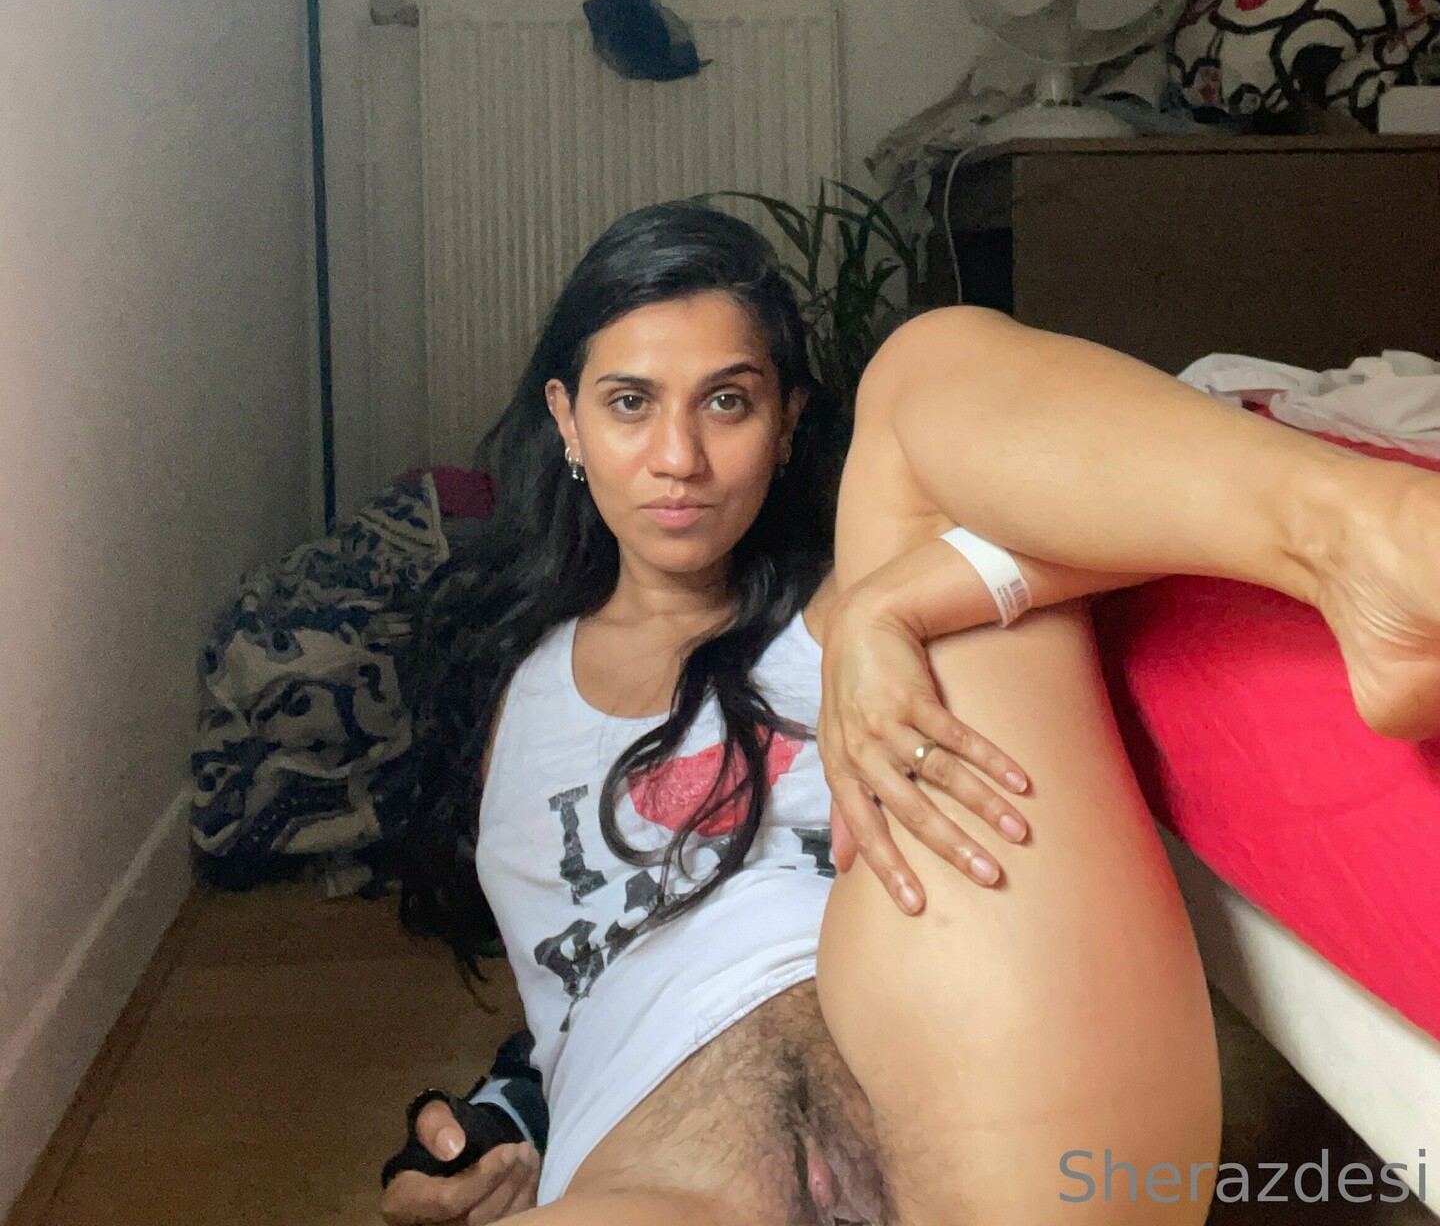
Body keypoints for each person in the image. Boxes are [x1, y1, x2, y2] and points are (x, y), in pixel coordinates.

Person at [383, 203, 1440, 1225]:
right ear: (566, 418)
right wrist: (498, 1120)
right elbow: (568, 973)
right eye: (630, 404)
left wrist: (889, 609)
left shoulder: (867, 589)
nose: (678, 458)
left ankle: (1377, 535)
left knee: (924, 362)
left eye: (727, 402)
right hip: (659, 1170)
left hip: (987, 1099)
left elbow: (1103, 499)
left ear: (788, 424)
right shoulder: (506, 688)